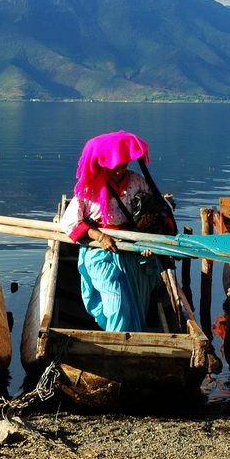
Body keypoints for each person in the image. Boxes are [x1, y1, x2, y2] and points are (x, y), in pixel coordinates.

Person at [59, 130, 172, 332]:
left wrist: (147, 241)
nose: (120, 170)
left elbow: (152, 213)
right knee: (116, 300)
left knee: (138, 301)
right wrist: (100, 236)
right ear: (102, 164)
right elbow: (69, 222)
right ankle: (117, 340)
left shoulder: (137, 181)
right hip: (101, 251)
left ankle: (133, 337)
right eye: (114, 167)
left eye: (123, 165)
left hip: (132, 250)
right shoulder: (89, 188)